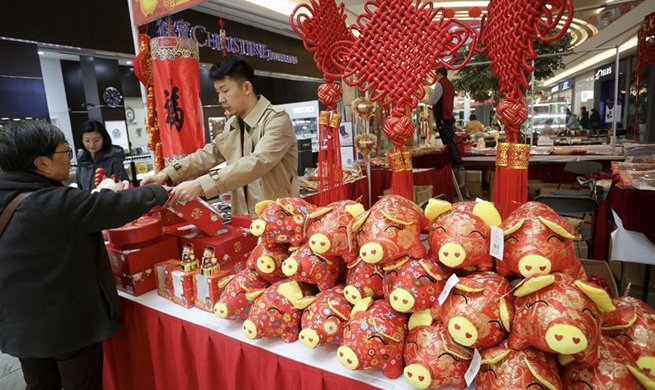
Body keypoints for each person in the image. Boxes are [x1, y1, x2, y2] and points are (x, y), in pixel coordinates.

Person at [0, 121, 168, 390]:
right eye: (64, 150)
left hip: (19, 322)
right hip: (65, 325)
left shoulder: (12, 194)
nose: (69, 156)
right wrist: (159, 191)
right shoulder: (51, 201)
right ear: (41, 163)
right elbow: (111, 207)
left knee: (40, 383)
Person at [141, 55, 298, 215]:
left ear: (246, 88)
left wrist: (200, 185)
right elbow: (210, 153)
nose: (221, 99)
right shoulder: (233, 124)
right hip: (242, 218)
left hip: (278, 218)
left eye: (225, 91)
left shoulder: (276, 120)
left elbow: (257, 163)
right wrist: (166, 174)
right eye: (218, 92)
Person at [421, 67, 462, 168]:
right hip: (449, 115)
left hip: (443, 116)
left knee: (447, 141)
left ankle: (456, 161)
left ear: (439, 74)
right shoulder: (450, 85)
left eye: (436, 75)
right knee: (450, 139)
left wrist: (422, 100)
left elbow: (433, 101)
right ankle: (454, 160)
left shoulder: (440, 85)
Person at [76, 120, 129, 190]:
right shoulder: (82, 162)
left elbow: (123, 187)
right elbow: (80, 189)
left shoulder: (114, 160)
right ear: (82, 141)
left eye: (96, 140)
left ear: (103, 139)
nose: (92, 144)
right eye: (87, 141)